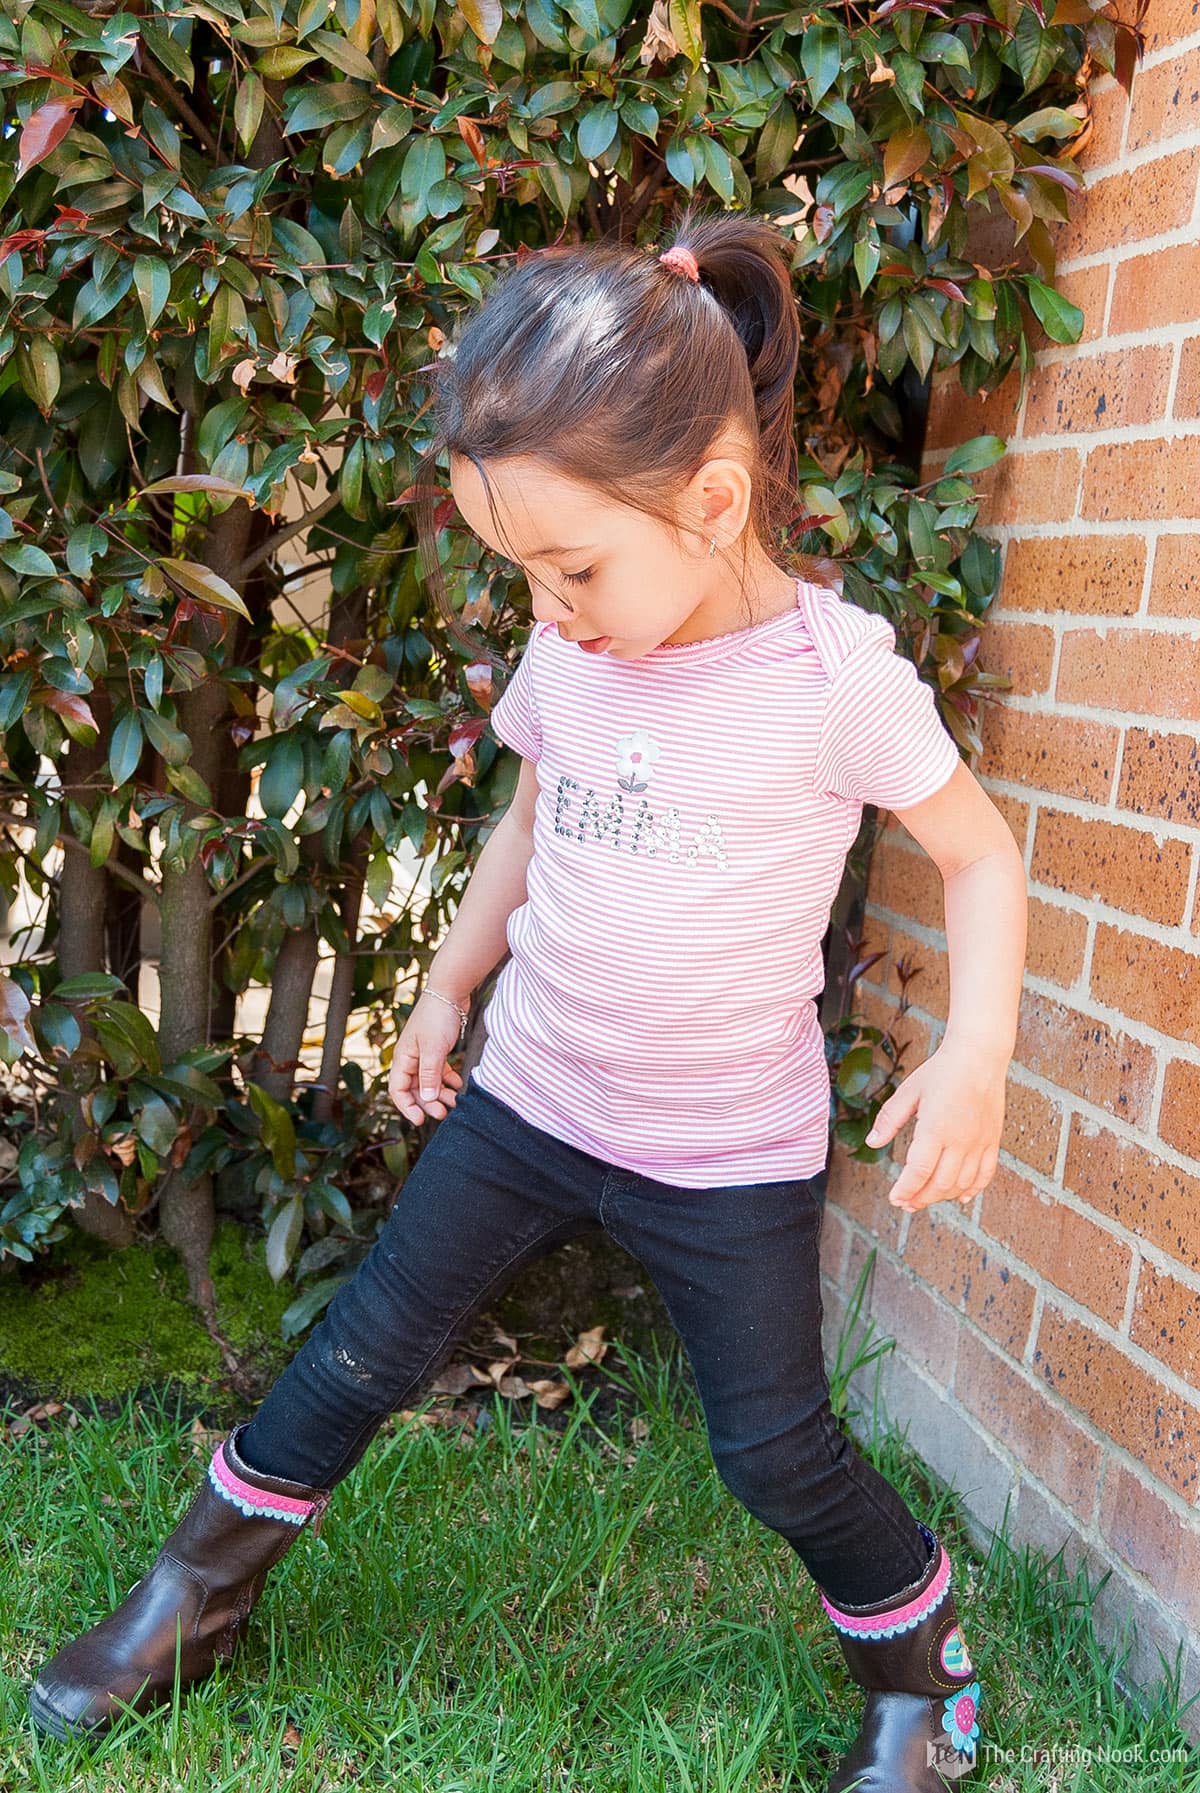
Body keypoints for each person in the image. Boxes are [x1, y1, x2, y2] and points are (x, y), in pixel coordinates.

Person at [29, 207, 1025, 1791]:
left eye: (571, 567)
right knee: (359, 1347)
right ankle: (189, 1600)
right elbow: (530, 821)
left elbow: (979, 858)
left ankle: (918, 1671)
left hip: (724, 1150)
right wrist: (447, 982)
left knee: (772, 1447)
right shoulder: (574, 653)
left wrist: (977, 1048)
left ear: (711, 501)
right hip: (536, 1099)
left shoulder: (834, 681)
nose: (548, 608)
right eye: (522, 572)